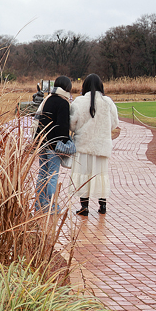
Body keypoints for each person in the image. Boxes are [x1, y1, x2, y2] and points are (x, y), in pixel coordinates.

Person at [69, 73, 119, 216]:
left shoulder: (78, 102)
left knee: (83, 174)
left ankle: (84, 207)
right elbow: (114, 123)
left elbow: (72, 124)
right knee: (100, 174)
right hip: (102, 145)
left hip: (83, 145)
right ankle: (102, 205)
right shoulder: (107, 102)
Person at [33, 75, 72, 213]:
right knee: (53, 175)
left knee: (42, 174)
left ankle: (39, 205)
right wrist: (66, 143)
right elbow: (62, 127)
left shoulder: (47, 99)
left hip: (42, 142)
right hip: (54, 145)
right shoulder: (63, 103)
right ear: (67, 88)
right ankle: (51, 206)